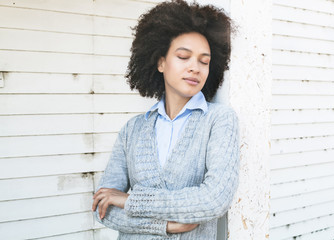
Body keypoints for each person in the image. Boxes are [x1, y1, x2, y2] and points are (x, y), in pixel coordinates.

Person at [92, 0, 240, 239]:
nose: (195, 68)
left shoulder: (218, 120)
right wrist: (166, 226)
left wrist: (130, 200)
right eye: (184, 56)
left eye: (204, 61)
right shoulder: (133, 130)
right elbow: (102, 209)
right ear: (160, 62)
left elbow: (214, 199)